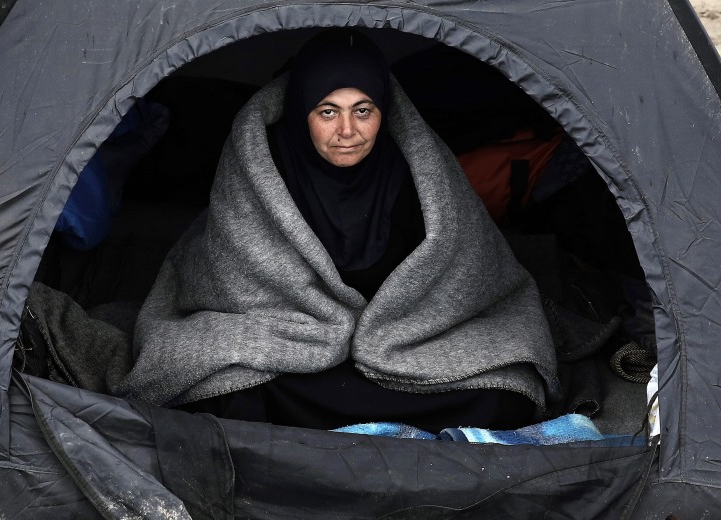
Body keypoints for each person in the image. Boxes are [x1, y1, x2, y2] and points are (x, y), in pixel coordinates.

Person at [114, 30, 560, 433]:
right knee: (222, 387)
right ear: (300, 111)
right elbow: (232, 281)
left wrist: (398, 329)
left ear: (384, 112)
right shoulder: (260, 173)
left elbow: (471, 270)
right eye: (328, 112)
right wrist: (318, 332)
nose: (347, 132)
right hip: (291, 350)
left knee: (502, 394)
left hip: (411, 346)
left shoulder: (419, 175)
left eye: (362, 111)